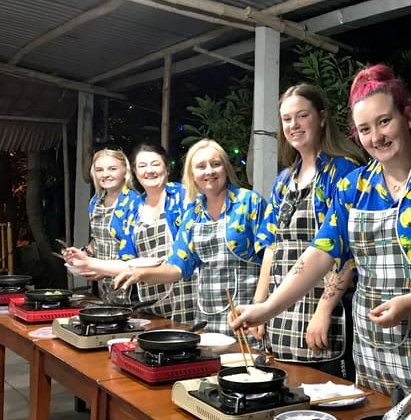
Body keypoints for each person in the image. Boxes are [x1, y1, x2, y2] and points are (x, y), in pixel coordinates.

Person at [231, 64, 411, 416]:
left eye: (384, 122)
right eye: (365, 129)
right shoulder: (353, 187)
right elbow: (320, 253)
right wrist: (267, 307)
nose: (377, 137)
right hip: (370, 350)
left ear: (409, 117)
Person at [252, 83, 365, 379]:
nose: (293, 125)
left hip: (323, 312)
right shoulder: (284, 180)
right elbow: (271, 247)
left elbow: (348, 250)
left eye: (302, 116)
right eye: (287, 119)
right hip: (282, 316)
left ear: (322, 117)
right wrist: (260, 306)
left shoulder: (343, 171)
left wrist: (324, 310)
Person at [114, 139, 266, 340]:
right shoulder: (193, 213)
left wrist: (261, 307)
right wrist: (140, 274)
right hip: (207, 316)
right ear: (192, 175)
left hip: (248, 315)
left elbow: (270, 257)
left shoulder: (249, 202)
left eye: (215, 164)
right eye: (201, 167)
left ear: (226, 168)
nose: (209, 171)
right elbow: (177, 267)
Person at [64, 143, 197, 324]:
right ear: (135, 171)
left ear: (167, 167)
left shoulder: (183, 196)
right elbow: (127, 261)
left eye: (155, 164)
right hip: (151, 301)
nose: (149, 170)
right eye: (142, 166)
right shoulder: (135, 208)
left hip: (188, 295)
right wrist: (88, 261)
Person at [83, 147, 140, 300]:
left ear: (125, 172)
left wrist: (104, 269)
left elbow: (139, 249)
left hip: (130, 281)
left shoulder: (135, 202)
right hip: (103, 283)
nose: (105, 174)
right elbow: (98, 239)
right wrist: (83, 255)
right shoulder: (96, 201)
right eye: (99, 170)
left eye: (112, 169)